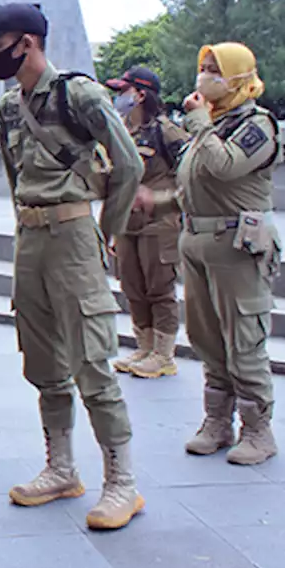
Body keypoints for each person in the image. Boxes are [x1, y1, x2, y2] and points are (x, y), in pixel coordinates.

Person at [0, 2, 144, 530]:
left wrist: (106, 231)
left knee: (92, 361)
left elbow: (129, 164)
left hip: (72, 238)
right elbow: (13, 174)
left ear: (26, 42)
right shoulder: (8, 107)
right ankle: (61, 467)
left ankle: (122, 483)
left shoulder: (78, 94)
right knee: (43, 362)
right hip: (32, 241)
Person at [136, 43, 282, 466]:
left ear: (239, 75)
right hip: (198, 243)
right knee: (206, 337)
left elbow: (227, 166)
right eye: (202, 67)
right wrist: (158, 202)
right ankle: (217, 421)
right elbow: (193, 189)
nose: (204, 75)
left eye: (214, 69)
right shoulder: (212, 125)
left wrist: (200, 124)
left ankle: (258, 429)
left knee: (245, 339)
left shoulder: (256, 125)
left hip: (239, 246)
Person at [104, 67, 188, 379]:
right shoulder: (121, 130)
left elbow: (192, 179)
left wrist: (161, 198)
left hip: (159, 223)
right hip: (127, 222)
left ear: (140, 94)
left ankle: (164, 354)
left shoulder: (166, 132)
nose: (118, 97)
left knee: (159, 288)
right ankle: (144, 345)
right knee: (132, 286)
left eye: (123, 91)